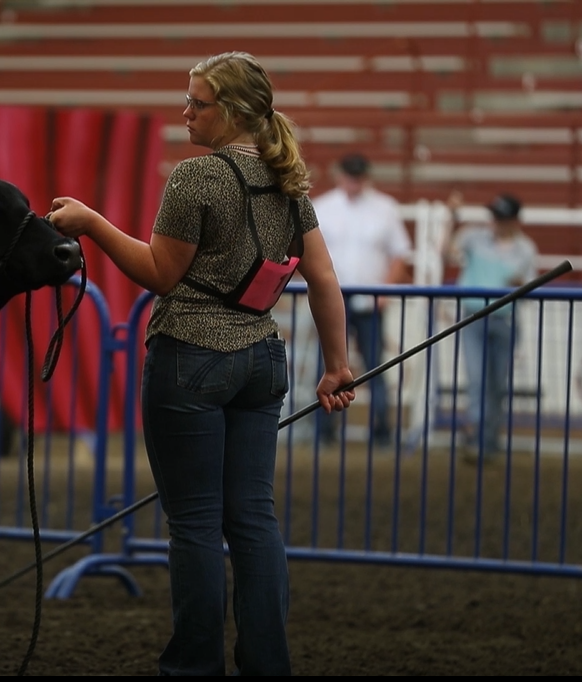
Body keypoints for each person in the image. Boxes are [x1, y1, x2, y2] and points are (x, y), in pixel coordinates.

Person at [47, 51, 355, 677]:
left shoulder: (196, 178)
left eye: (198, 103)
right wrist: (335, 367)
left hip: (191, 357)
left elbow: (161, 274)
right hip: (263, 360)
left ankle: (194, 667)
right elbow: (323, 277)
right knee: (253, 519)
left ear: (235, 112)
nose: (185, 112)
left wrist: (92, 223)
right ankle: (268, 664)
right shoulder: (286, 179)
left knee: (192, 524)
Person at [310, 153, 412, 446]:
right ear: (340, 175)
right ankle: (324, 431)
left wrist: (385, 289)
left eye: (358, 176)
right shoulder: (323, 207)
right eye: (350, 175)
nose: (354, 181)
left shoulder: (385, 208)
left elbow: (399, 254)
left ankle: (380, 431)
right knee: (328, 365)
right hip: (334, 299)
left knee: (373, 366)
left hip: (369, 300)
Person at [443, 191, 537, 463]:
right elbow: (448, 252)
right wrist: (451, 218)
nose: (496, 222)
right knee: (478, 379)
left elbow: (527, 284)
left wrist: (518, 284)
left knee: (496, 382)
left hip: (504, 318)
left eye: (502, 217)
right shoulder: (473, 237)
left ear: (514, 221)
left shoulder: (525, 249)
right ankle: (480, 437)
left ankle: (487, 437)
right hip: (474, 316)